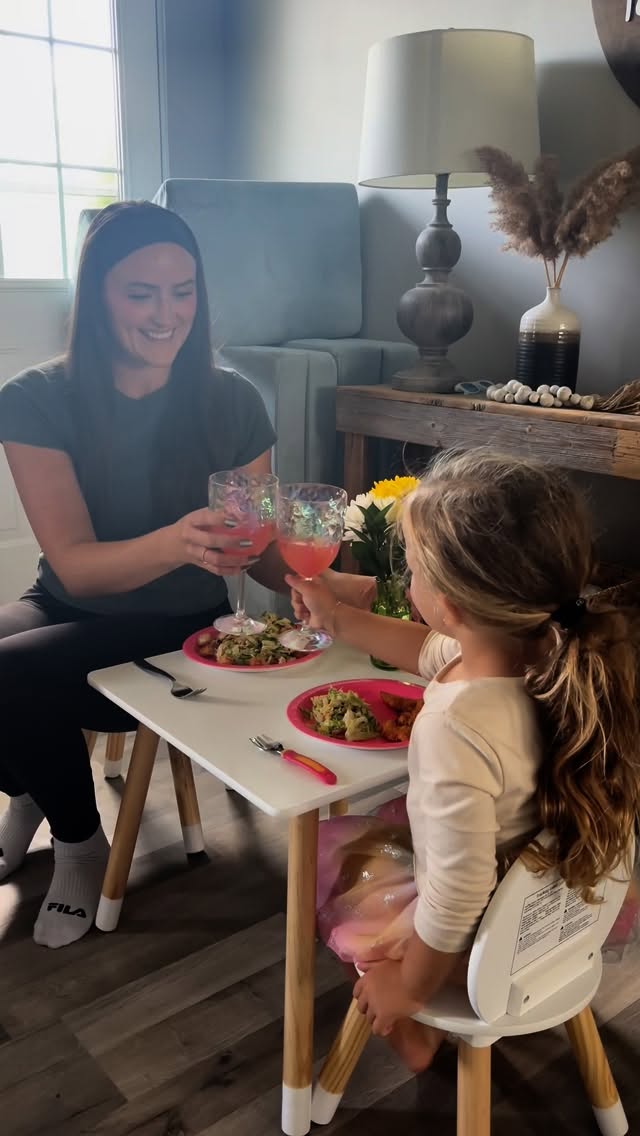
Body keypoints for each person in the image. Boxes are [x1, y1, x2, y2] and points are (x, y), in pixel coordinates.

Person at [286, 449, 640, 1071]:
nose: (409, 584)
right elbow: (429, 649)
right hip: (549, 906)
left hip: (477, 936)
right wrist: (338, 618)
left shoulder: (455, 725)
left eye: (415, 571)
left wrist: (410, 988)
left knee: (325, 857)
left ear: (449, 601)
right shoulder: (548, 651)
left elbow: (455, 895)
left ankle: (418, 1035)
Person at [0, 200, 283, 948]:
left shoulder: (233, 400)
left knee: (12, 675)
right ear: (96, 297)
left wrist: (335, 580)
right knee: (11, 669)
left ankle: (75, 840)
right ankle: (36, 788)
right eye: (141, 292)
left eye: (183, 290)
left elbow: (265, 543)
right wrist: (180, 539)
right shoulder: (33, 401)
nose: (168, 314)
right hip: (68, 599)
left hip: (178, 624)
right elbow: (78, 570)